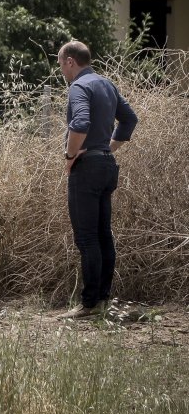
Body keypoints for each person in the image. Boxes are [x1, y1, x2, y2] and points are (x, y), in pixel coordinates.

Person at [56, 40, 138, 320]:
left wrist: (70, 156)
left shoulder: (79, 86)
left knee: (87, 238)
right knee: (103, 235)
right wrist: (107, 149)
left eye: (60, 64)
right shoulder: (106, 84)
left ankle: (88, 304)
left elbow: (80, 123)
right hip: (106, 165)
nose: (61, 71)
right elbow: (129, 119)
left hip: (88, 169)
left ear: (70, 61)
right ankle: (102, 299)